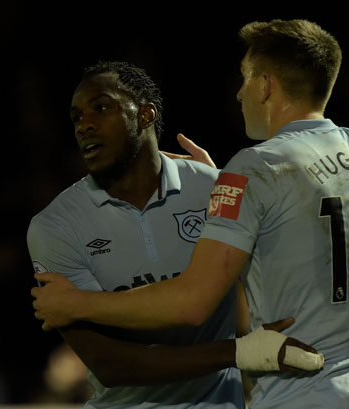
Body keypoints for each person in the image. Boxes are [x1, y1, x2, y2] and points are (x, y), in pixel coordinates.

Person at [33, 19, 349, 408]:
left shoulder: (254, 168)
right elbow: (316, 267)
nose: (239, 94)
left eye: (245, 78)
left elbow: (192, 303)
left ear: (267, 84)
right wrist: (223, 186)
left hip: (303, 398)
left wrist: (78, 303)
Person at [26, 61, 323, 409]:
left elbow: (283, 297)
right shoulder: (54, 226)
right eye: (76, 117)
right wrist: (238, 353)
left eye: (101, 107)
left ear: (145, 115)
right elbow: (111, 365)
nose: (84, 125)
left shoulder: (216, 190)